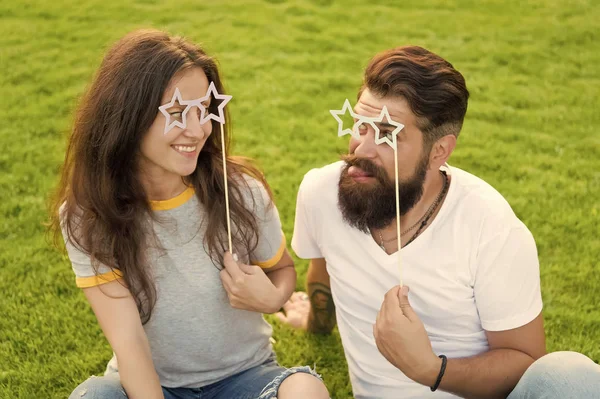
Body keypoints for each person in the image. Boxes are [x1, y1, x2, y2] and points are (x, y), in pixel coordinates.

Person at [277, 45, 600, 398]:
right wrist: (315, 321)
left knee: (573, 376)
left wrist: (429, 369)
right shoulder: (323, 192)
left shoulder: (490, 228)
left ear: (439, 151)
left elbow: (528, 364)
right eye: (360, 125)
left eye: (386, 134)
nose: (361, 148)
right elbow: (322, 272)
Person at [50, 29, 329, 399]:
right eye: (179, 112)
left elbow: (280, 272)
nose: (198, 129)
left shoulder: (241, 191)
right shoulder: (88, 216)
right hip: (150, 384)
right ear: (128, 116)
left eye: (204, 110)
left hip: (246, 376)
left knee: (306, 391)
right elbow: (129, 342)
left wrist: (272, 299)